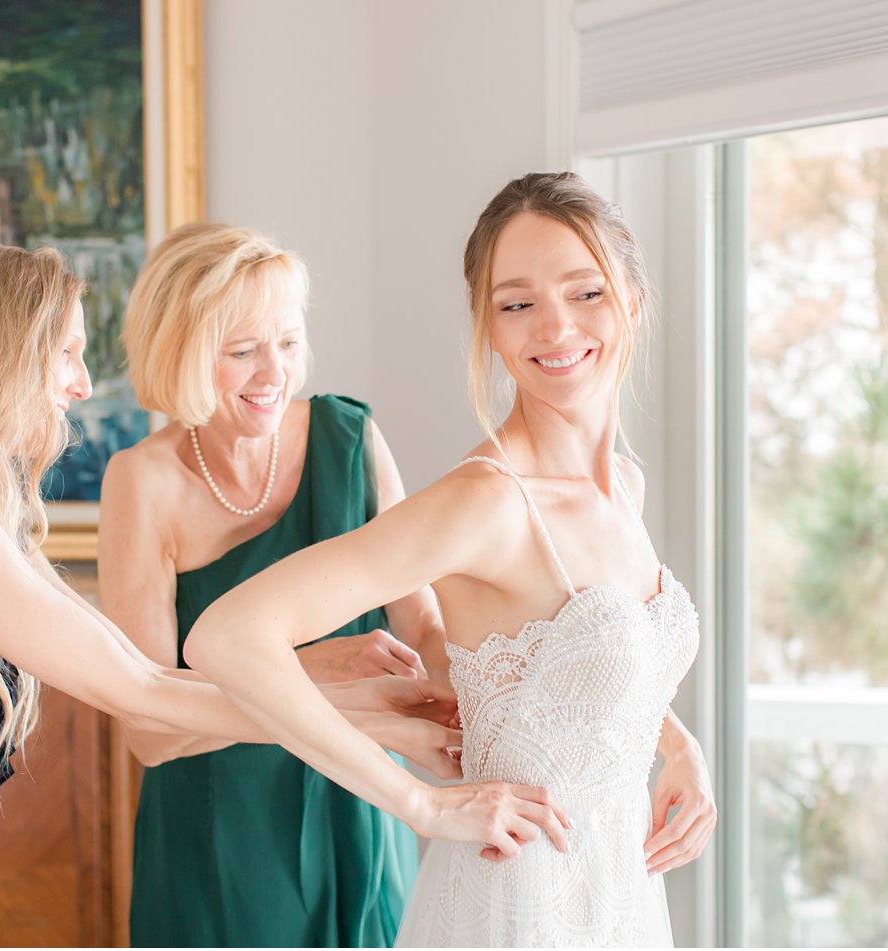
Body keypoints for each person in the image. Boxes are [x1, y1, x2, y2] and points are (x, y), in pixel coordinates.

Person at [0, 243, 516, 948]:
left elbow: (137, 671)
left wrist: (364, 700)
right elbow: (147, 695)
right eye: (67, 354)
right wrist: (420, 799)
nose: (83, 385)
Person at [188, 173, 718, 947]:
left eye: (585, 292)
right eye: (516, 304)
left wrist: (679, 745)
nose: (554, 327)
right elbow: (228, 636)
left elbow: (588, 676)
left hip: (620, 904)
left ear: (632, 300)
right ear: (489, 328)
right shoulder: (487, 501)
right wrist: (419, 803)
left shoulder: (623, 487)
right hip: (515, 906)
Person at [100, 222, 461, 947]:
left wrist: (486, 712)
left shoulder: (350, 440)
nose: (274, 373)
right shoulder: (142, 482)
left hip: (360, 795)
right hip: (220, 829)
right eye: (243, 351)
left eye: (288, 342)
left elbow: (423, 623)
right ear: (184, 353)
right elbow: (150, 729)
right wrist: (306, 673)